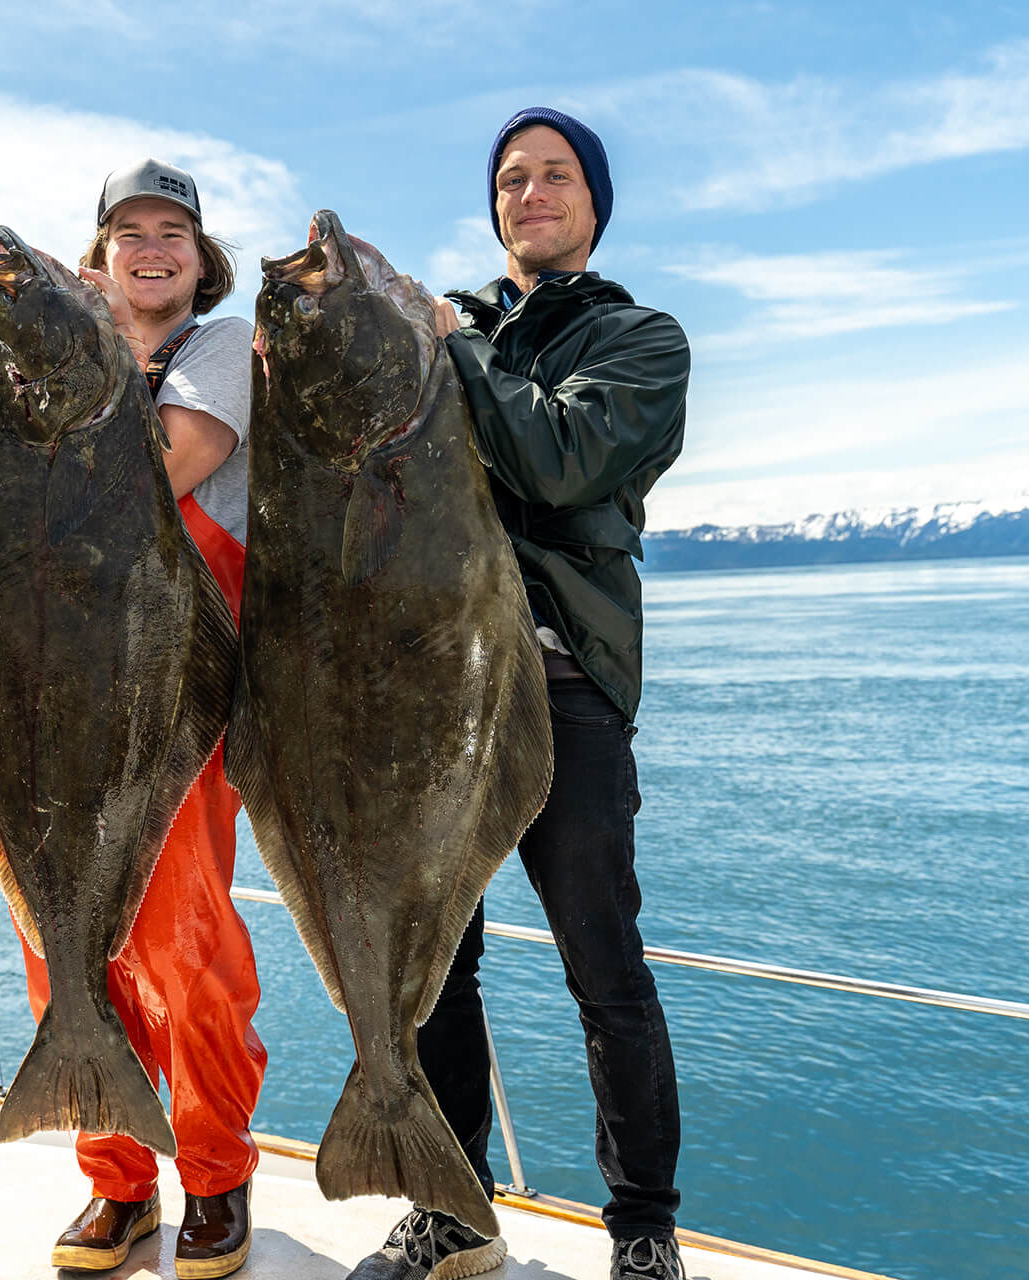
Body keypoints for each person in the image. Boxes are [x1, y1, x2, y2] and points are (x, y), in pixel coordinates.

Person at [346, 109, 691, 1280]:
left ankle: (644, 1229)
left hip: (565, 688)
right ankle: (456, 1211)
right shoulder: (443, 329)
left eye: (556, 177)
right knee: (436, 964)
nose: (532, 193)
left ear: (593, 202)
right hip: (431, 692)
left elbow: (556, 461)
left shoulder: (641, 341)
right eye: (511, 179)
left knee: (606, 967)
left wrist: (451, 344)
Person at [15, 158, 267, 1280]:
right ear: (99, 255)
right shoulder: (54, 355)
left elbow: (167, 468)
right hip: (47, 683)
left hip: (173, 685)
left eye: (173, 231)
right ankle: (117, 1180)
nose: (152, 248)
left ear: (199, 259)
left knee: (184, 941)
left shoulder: (219, 351)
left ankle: (215, 1173)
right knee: (54, 941)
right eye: (130, 231)